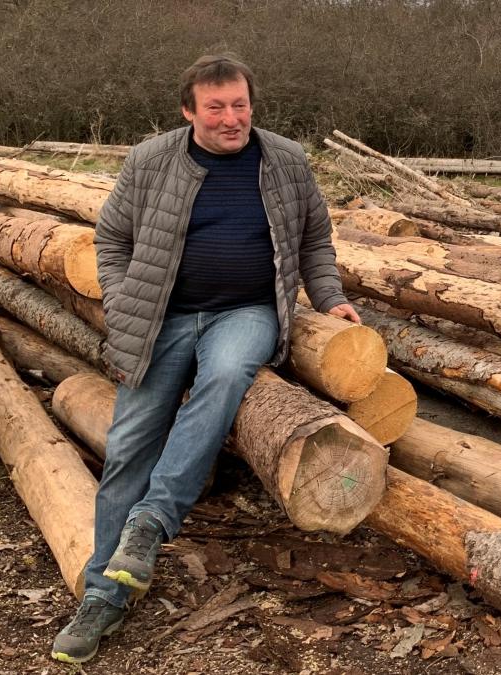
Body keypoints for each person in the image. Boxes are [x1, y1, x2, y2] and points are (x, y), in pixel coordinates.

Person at [51, 53, 359, 664]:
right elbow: (111, 239)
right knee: (129, 445)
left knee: (224, 376)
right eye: (215, 107)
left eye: (239, 105)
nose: (230, 118)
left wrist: (331, 299)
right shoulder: (150, 160)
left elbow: (314, 239)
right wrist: (122, 300)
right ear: (188, 111)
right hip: (161, 317)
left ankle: (150, 524)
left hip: (246, 311)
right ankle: (104, 597)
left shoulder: (285, 160)